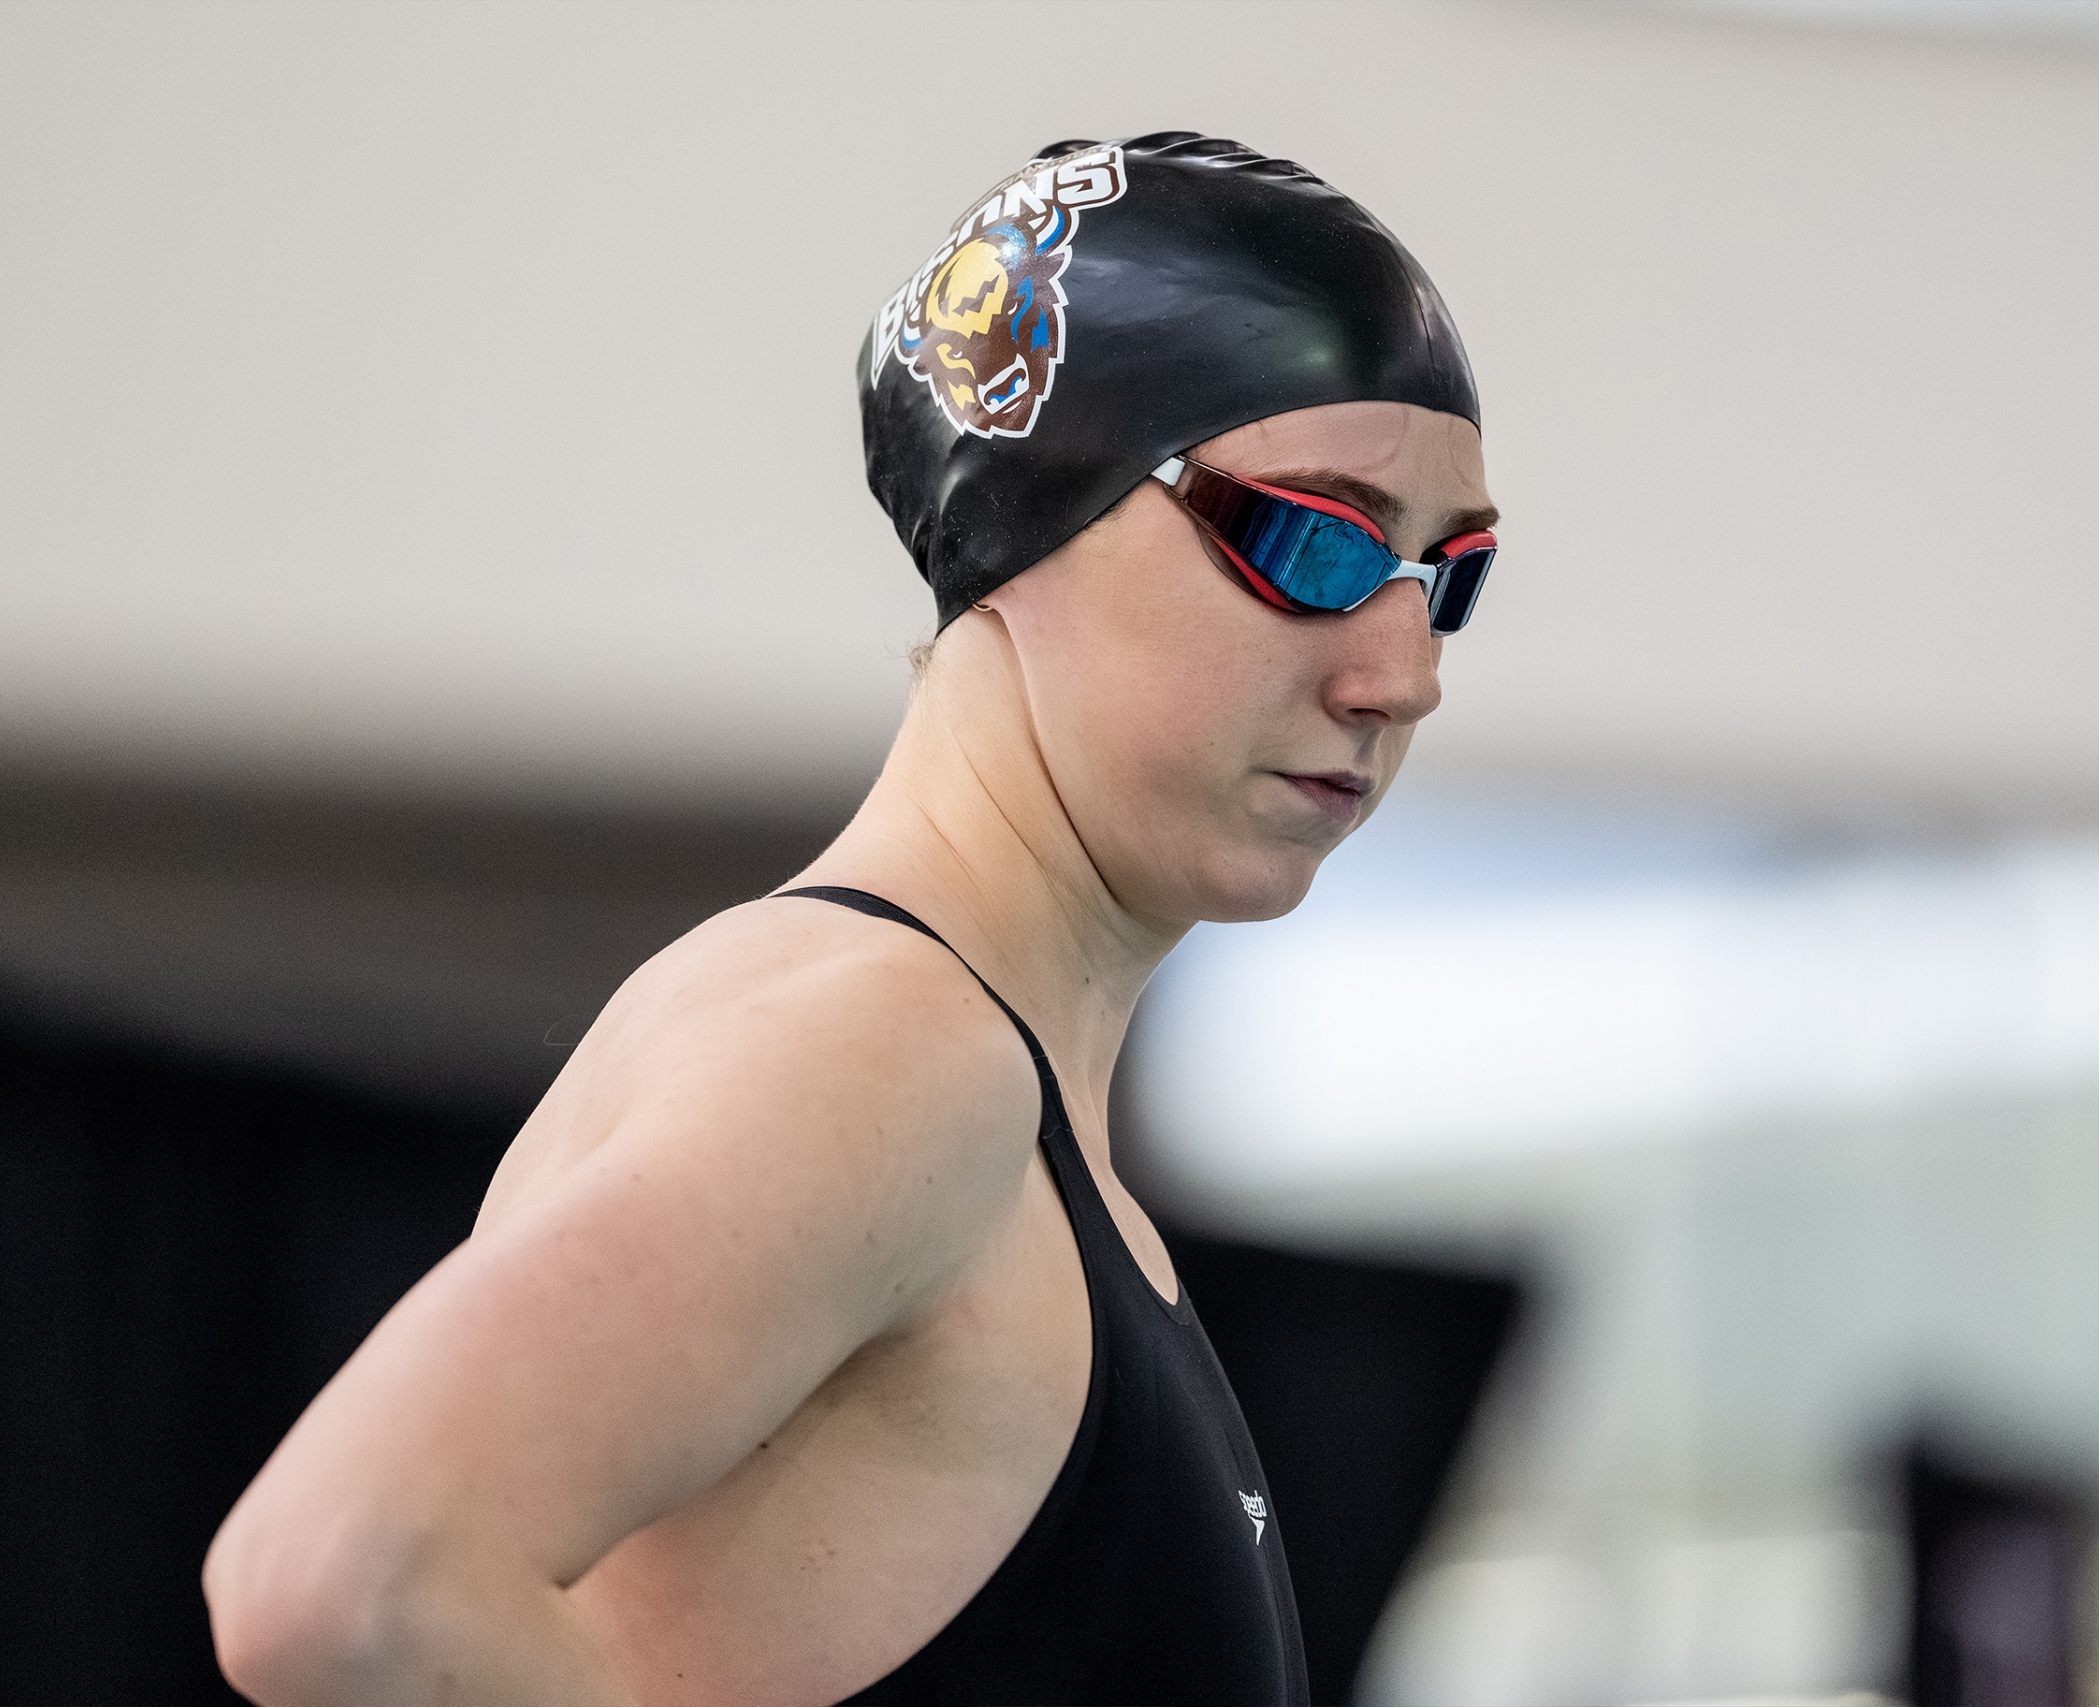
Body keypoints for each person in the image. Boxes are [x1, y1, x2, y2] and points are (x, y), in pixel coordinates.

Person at [203, 130, 1498, 1707]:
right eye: (1316, 543)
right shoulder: (881, 1050)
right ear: (1035, 511)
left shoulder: (1003, 1126)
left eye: (1447, 575)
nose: (1403, 672)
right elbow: (340, 1579)